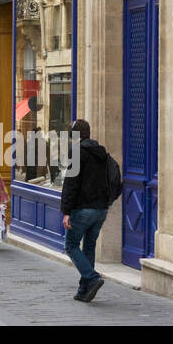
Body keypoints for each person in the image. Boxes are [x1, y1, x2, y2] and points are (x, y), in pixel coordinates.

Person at [61, 119, 111, 302]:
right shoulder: (102, 152)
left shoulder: (77, 152)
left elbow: (71, 185)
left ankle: (92, 277)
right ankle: (84, 290)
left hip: (83, 209)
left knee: (71, 245)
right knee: (89, 246)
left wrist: (66, 211)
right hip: (101, 209)